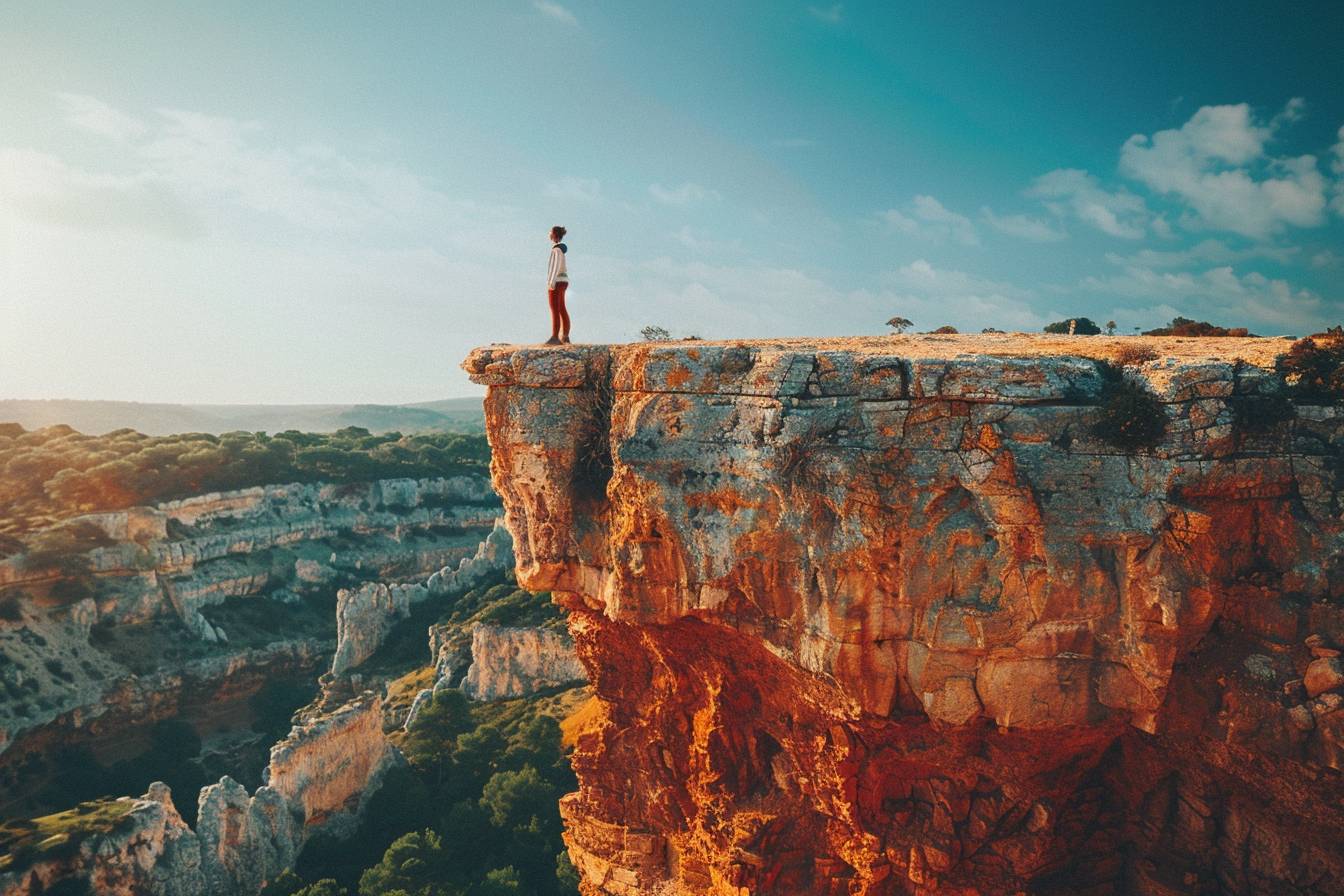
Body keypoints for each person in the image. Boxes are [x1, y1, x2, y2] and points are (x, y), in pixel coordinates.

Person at [545, 225, 570, 345]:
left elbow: (554, 268)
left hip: (557, 281)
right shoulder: (561, 250)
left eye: (550, 232)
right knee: (562, 308)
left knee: (554, 309)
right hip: (564, 280)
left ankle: (555, 337)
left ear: (554, 235)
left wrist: (551, 283)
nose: (549, 233)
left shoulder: (556, 250)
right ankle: (565, 336)